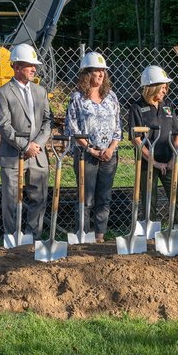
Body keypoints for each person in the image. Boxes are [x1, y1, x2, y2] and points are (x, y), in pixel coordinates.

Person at [0, 43, 53, 239]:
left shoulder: (40, 92)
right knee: (11, 200)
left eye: (35, 65)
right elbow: (3, 125)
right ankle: (13, 238)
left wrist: (38, 145)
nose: (34, 69)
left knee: (39, 198)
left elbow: (47, 120)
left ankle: (32, 237)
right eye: (29, 65)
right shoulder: (2, 93)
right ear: (17, 67)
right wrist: (25, 146)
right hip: (13, 156)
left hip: (38, 155)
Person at [65, 52, 121, 242]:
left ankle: (100, 237)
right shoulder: (77, 99)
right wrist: (91, 149)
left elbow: (118, 127)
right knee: (86, 198)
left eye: (102, 71)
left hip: (109, 155)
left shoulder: (111, 97)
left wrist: (111, 148)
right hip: (86, 155)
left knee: (104, 198)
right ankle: (83, 236)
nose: (101, 74)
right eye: (96, 71)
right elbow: (72, 128)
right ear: (86, 74)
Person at [127, 65, 178, 227]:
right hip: (148, 163)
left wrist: (173, 158)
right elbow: (136, 139)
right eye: (162, 88)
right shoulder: (137, 108)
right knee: (149, 201)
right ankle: (149, 237)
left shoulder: (168, 106)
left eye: (166, 87)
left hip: (169, 161)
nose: (165, 91)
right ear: (152, 88)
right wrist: (154, 162)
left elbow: (177, 134)